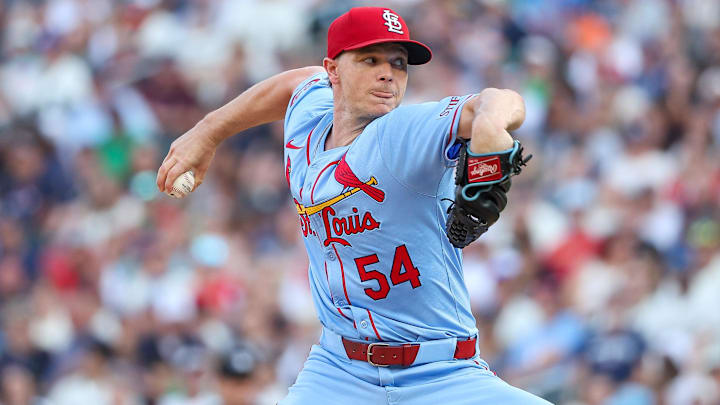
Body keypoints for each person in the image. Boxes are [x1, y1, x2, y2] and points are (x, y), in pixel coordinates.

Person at [157, 6, 550, 405]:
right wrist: (208, 132)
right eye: (370, 59)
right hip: (339, 371)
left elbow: (499, 102)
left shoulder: (403, 133)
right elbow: (293, 84)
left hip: (441, 374)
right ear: (333, 70)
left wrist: (487, 126)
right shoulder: (308, 120)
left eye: (398, 64)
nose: (388, 74)